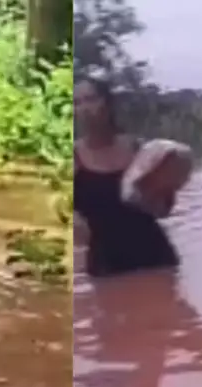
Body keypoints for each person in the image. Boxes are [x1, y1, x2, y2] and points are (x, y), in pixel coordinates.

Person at [73, 77, 181, 279]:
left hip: (155, 257)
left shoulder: (138, 149)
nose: (84, 108)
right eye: (77, 103)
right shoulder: (73, 159)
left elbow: (164, 209)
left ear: (107, 103)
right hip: (106, 266)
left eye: (91, 99)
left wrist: (166, 184)